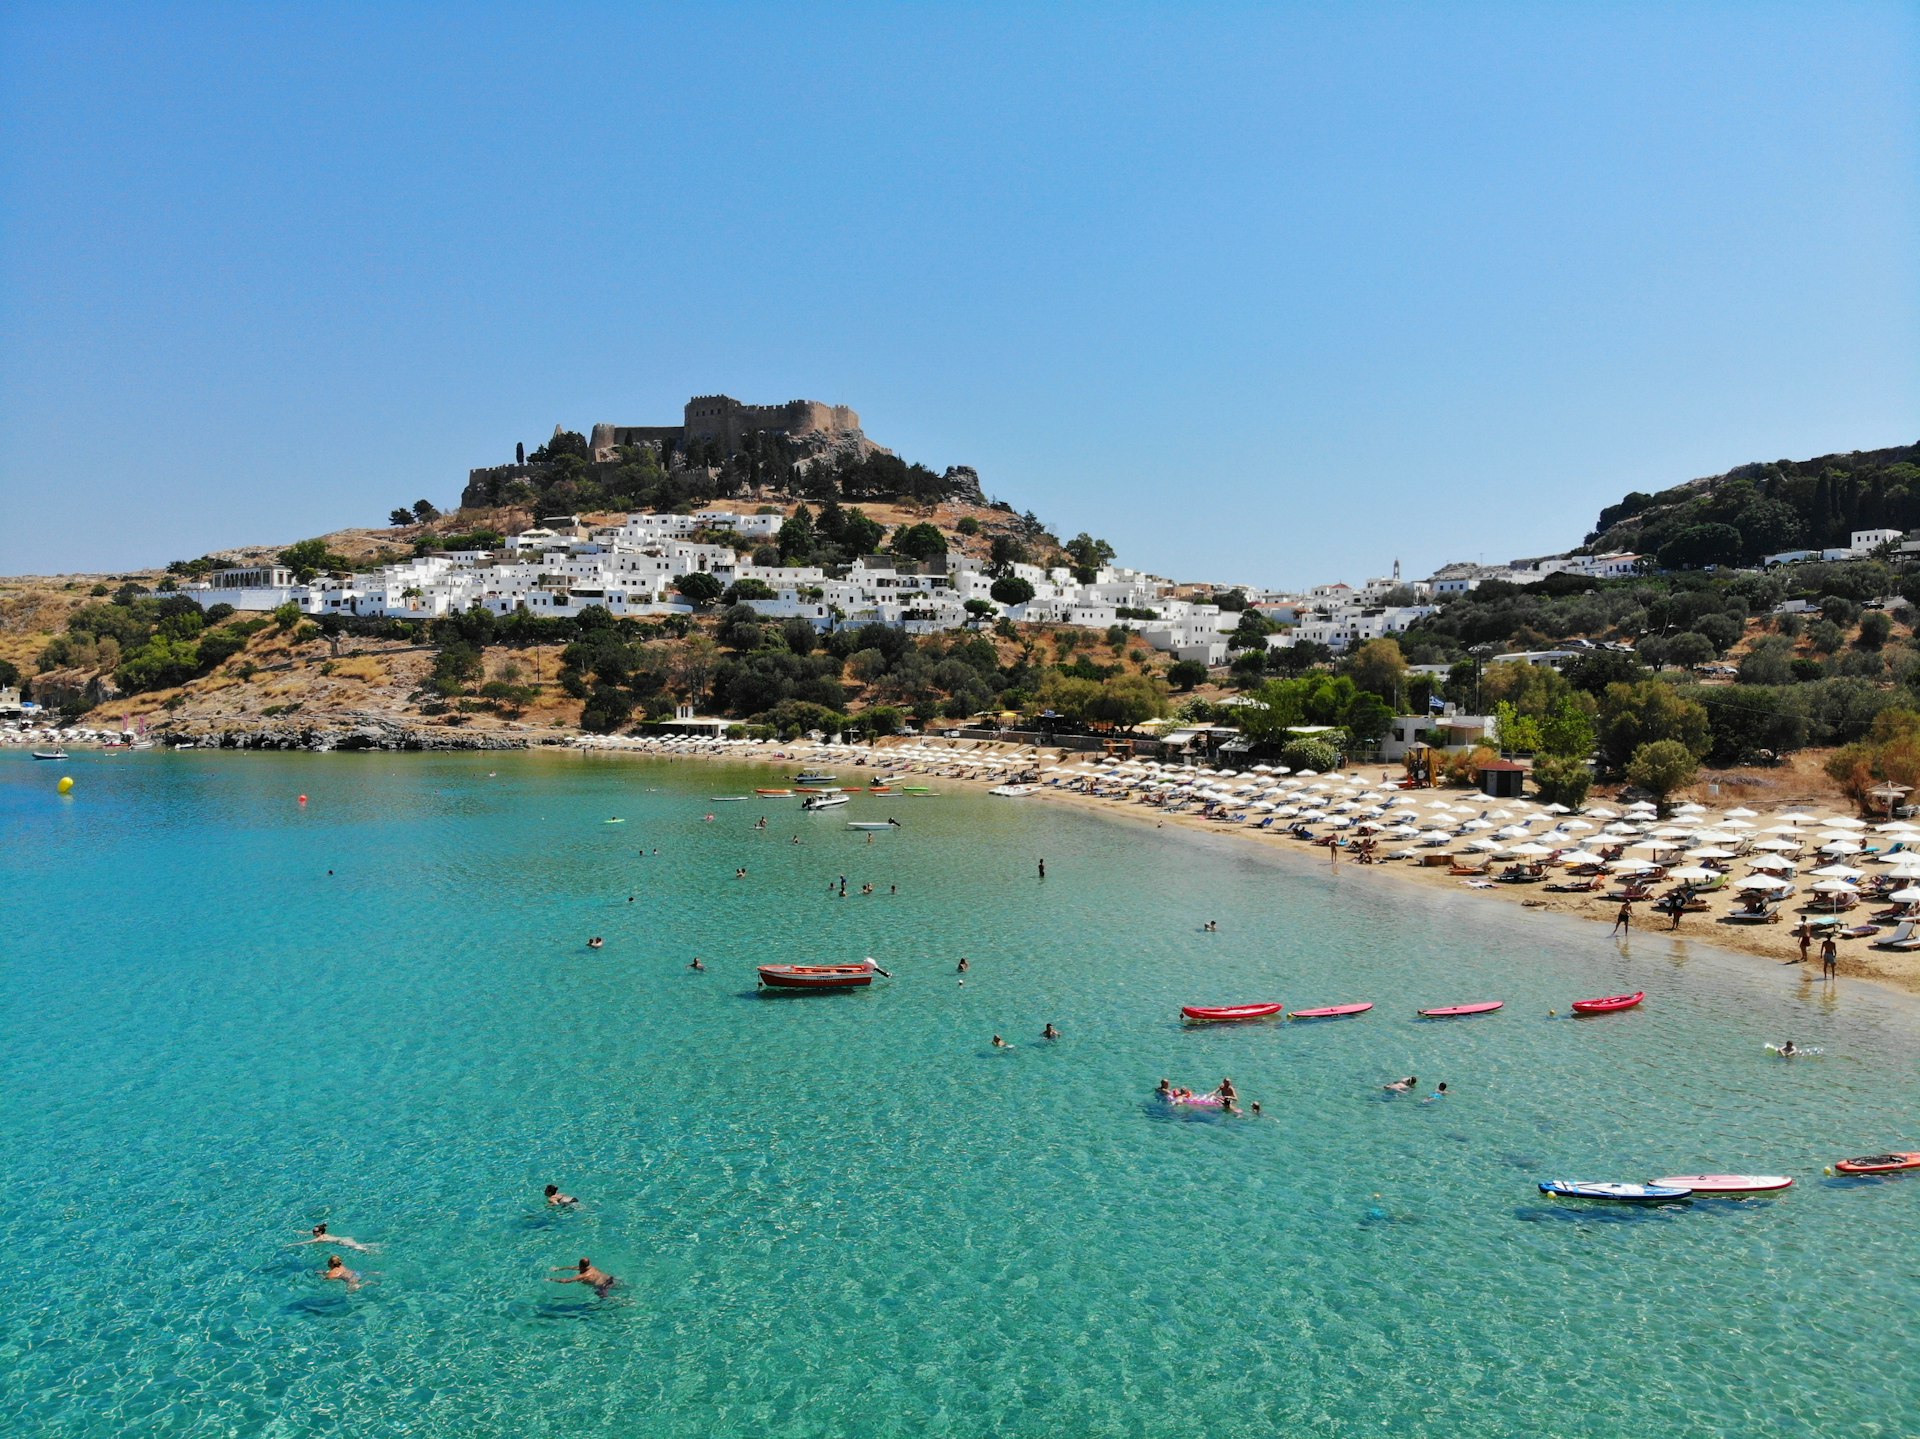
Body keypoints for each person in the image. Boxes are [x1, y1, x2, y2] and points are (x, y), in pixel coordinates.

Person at [550, 1258, 616, 1298]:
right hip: (611, 1279)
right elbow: (572, 1267)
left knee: (607, 1299)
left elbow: (567, 1280)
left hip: (603, 1287)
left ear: (580, 1266)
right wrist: (559, 1268)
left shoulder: (583, 1276)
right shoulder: (592, 1268)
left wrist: (552, 1279)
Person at [291, 1223, 374, 1252]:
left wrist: (292, 1245)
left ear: (319, 1233)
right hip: (345, 1239)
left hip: (343, 1242)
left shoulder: (320, 1238)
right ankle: (372, 1247)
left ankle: (372, 1251)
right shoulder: (324, 1234)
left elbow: (306, 1242)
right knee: (360, 1246)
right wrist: (303, 1232)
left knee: (361, 1249)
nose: (312, 1233)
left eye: (314, 1232)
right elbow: (322, 1229)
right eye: (312, 1231)